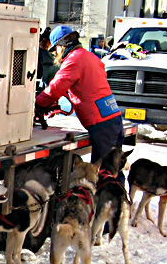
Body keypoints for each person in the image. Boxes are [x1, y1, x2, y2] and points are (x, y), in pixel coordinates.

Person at [35, 25, 124, 165]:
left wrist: (37, 104)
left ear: (61, 46)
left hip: (101, 123)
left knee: (102, 172)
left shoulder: (73, 61)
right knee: (113, 167)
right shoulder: (89, 56)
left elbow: (55, 88)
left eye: (55, 49)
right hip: (113, 118)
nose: (55, 54)